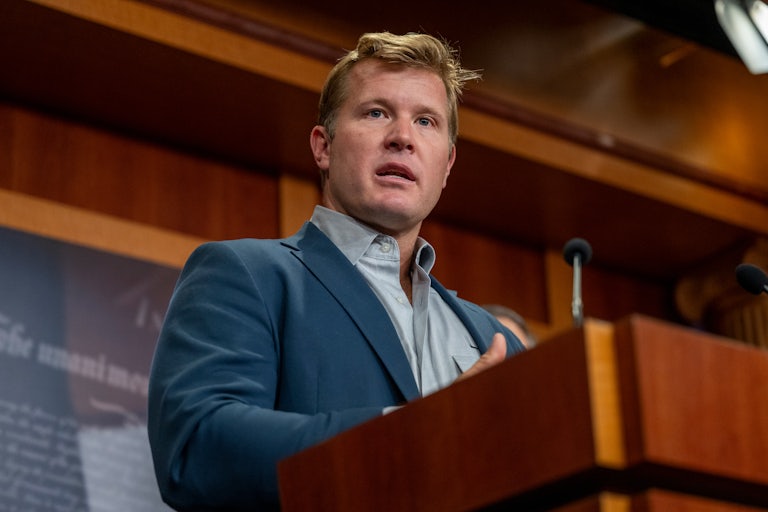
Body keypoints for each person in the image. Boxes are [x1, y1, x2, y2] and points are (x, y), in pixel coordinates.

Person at [147, 31, 526, 511]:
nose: (403, 138)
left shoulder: (495, 342)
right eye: (376, 113)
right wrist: (414, 435)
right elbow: (197, 447)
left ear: (447, 165)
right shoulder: (247, 275)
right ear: (322, 147)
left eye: (426, 121)